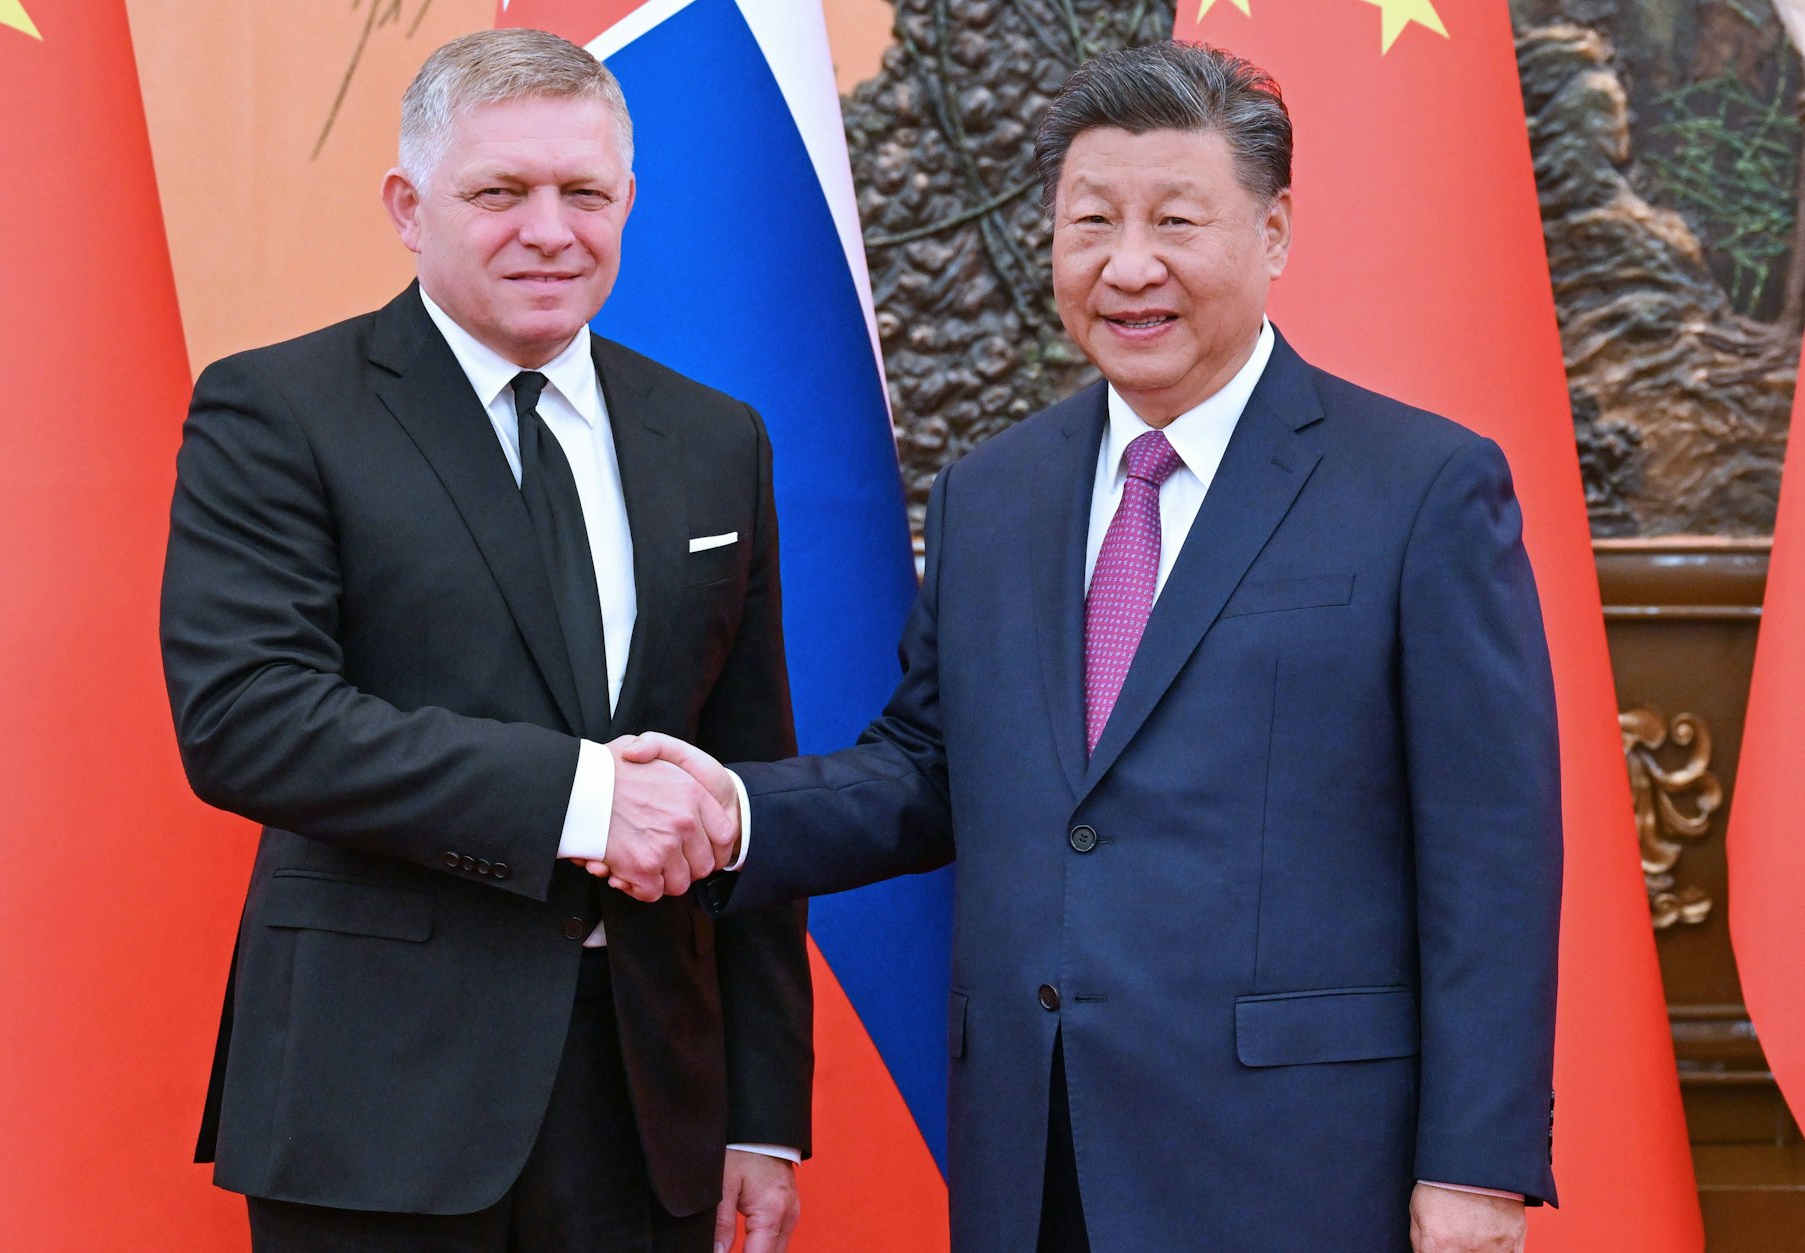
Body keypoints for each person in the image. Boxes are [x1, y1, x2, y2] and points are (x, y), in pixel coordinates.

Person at [617, 40, 1560, 1253]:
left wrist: (1475, 1165)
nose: (1127, 266)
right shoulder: (989, 495)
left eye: (1176, 220)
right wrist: (733, 810)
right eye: (1089, 221)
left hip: (1308, 1161)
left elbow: (1490, 850)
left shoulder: (1420, 485)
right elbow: (927, 769)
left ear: (1271, 234)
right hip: (1039, 1148)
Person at [160, 29, 809, 1252]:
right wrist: (581, 796)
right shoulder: (277, 410)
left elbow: (745, 784)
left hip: (652, 1110)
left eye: (585, 193)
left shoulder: (717, 439)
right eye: (499, 193)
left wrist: (763, 1115)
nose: (550, 231)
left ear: (629, 201)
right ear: (409, 206)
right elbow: (247, 718)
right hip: (376, 1110)